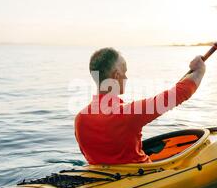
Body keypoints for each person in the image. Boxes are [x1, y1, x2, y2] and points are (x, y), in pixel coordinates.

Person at [75, 47, 206, 165]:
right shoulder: (126, 114)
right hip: (138, 176)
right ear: (116, 76)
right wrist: (200, 70)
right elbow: (178, 94)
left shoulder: (80, 119)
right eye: (124, 72)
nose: (126, 77)